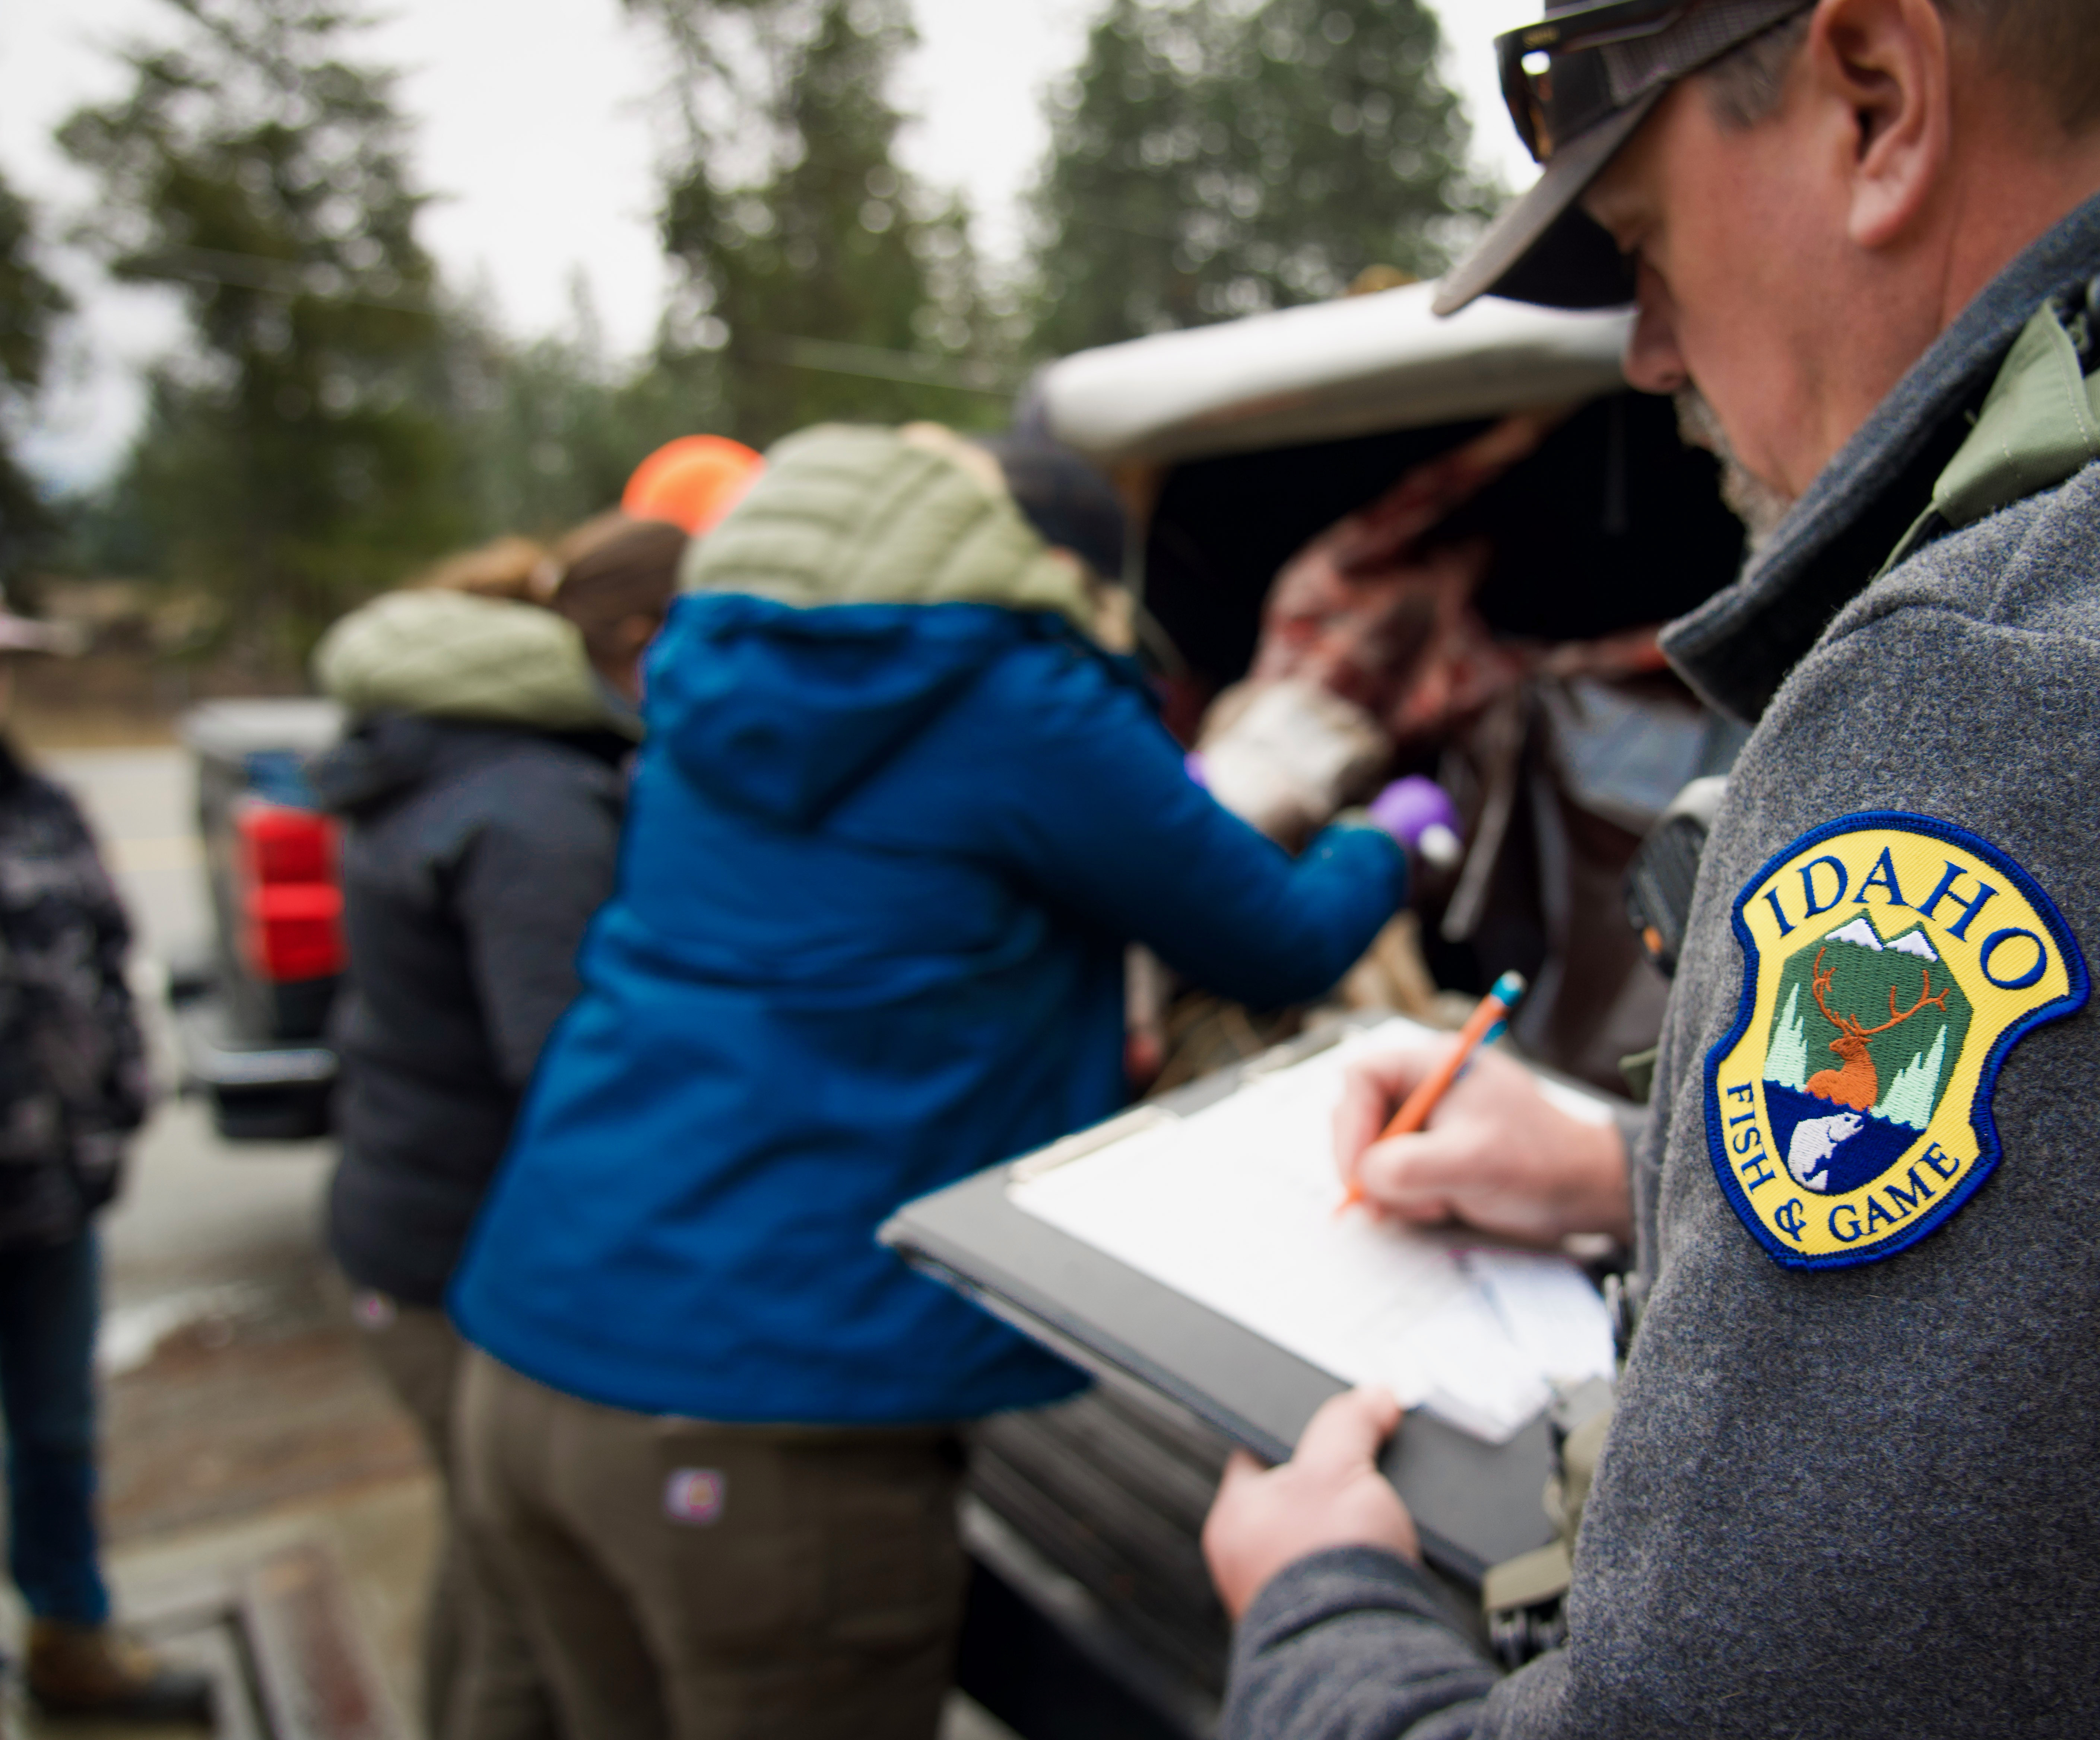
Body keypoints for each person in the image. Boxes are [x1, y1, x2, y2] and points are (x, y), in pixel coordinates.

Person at [1198, 1, 2100, 1735]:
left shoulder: (2059, 679)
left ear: (1876, 101)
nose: (1647, 350)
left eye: (1642, 242)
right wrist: (1628, 1167)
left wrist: (1326, 1613)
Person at [445, 423, 1413, 1740]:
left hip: (530, 1355)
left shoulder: (710, 679)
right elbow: (1274, 937)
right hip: (762, 1426)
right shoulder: (1020, 697)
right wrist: (1385, 843)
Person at [312, 513, 684, 1740]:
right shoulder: (532, 805)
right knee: (526, 1600)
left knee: (489, 1564)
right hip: (458, 1249)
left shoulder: (448, 758)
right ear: (633, 643)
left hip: (405, 1216)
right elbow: (568, 1065)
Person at [0, 610, 213, 1723]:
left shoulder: (41, 808)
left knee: (56, 1426)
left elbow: (99, 954)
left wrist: (119, 1093)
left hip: (48, 1196)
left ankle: (69, 1631)